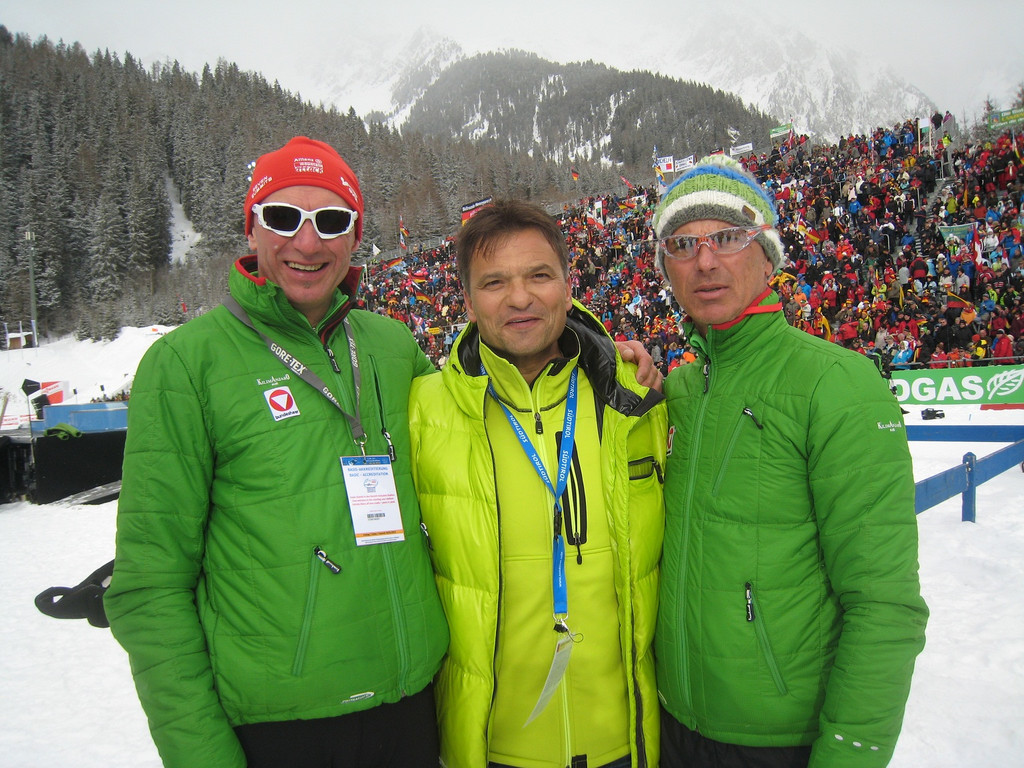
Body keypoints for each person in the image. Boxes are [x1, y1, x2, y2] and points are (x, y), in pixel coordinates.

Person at [104, 137, 450, 768]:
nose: (307, 242)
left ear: (355, 235)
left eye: (331, 220)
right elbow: (149, 589)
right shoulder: (185, 364)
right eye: (284, 217)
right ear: (252, 228)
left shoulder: (393, 345)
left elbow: (484, 417)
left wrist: (592, 355)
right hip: (282, 733)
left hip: (413, 710)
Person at [650, 155, 928, 768]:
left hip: (781, 743)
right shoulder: (679, 393)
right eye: (682, 244)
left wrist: (850, 754)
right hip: (671, 725)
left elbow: (884, 603)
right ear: (666, 267)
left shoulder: (836, 382)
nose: (705, 261)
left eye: (727, 237)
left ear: (767, 255)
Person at [408, 199, 667, 768]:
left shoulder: (632, 394)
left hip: (625, 742)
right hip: (496, 748)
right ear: (467, 300)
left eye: (539, 276)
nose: (519, 298)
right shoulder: (423, 410)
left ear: (568, 287)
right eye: (494, 282)